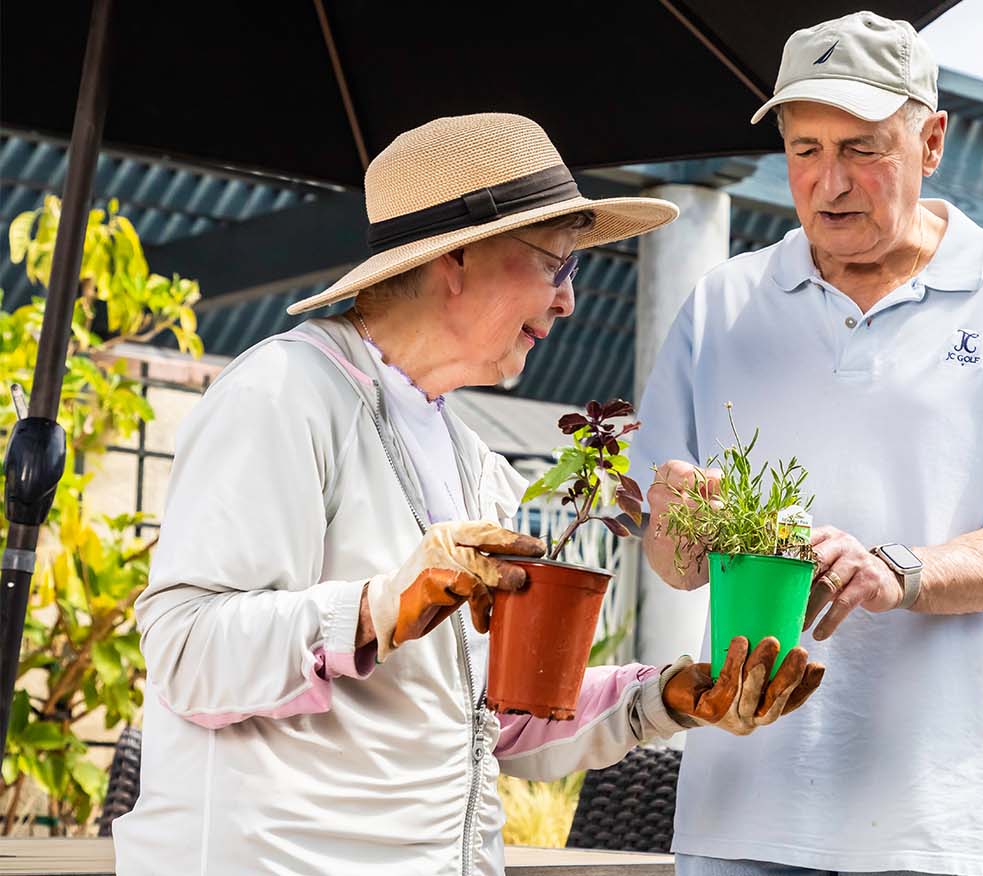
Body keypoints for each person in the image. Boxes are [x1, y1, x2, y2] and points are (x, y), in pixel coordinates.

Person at [113, 113, 822, 876]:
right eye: (558, 264)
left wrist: (666, 698)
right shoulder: (281, 395)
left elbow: (493, 718)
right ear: (458, 257)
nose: (568, 303)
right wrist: (382, 606)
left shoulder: (472, 463)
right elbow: (186, 654)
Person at [633, 13, 983, 876]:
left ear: (931, 140)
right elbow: (674, 563)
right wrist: (675, 523)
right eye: (806, 149)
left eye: (863, 148)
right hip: (744, 816)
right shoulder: (722, 305)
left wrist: (902, 570)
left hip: (949, 824)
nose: (830, 183)